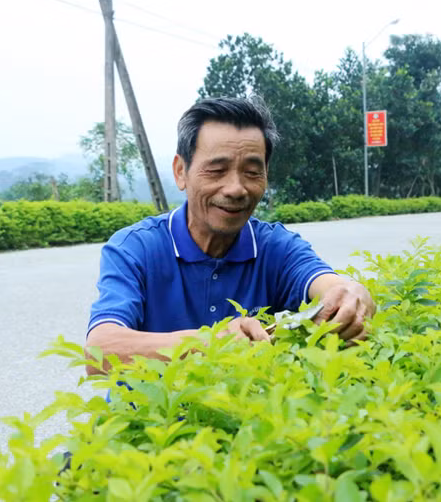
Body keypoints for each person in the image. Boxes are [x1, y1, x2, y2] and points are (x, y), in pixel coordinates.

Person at [85, 97, 375, 374]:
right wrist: (213, 343)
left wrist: (351, 294)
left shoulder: (276, 248)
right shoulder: (135, 249)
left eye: (251, 172)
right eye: (217, 170)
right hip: (155, 423)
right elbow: (99, 351)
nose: (236, 188)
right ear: (180, 171)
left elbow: (327, 284)